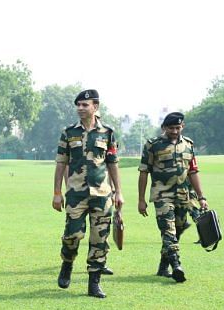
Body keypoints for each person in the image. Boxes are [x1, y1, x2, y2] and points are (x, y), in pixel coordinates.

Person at [52, 89, 123, 298]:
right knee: (73, 235)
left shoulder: (107, 133)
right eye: (78, 105)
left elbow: (112, 163)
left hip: (102, 194)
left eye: (85, 105)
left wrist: (118, 192)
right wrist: (57, 192)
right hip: (75, 193)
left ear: (95, 107)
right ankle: (67, 262)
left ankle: (94, 283)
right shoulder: (69, 133)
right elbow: (60, 163)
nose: (80, 108)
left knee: (99, 238)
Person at [137, 112, 208, 282]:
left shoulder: (188, 145)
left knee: (178, 229)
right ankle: (176, 266)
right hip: (162, 195)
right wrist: (141, 199)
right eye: (171, 128)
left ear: (182, 126)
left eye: (178, 127)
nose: (175, 131)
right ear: (164, 128)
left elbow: (193, 172)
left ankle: (163, 266)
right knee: (169, 231)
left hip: (183, 196)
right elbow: (144, 172)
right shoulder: (153, 145)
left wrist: (201, 197)